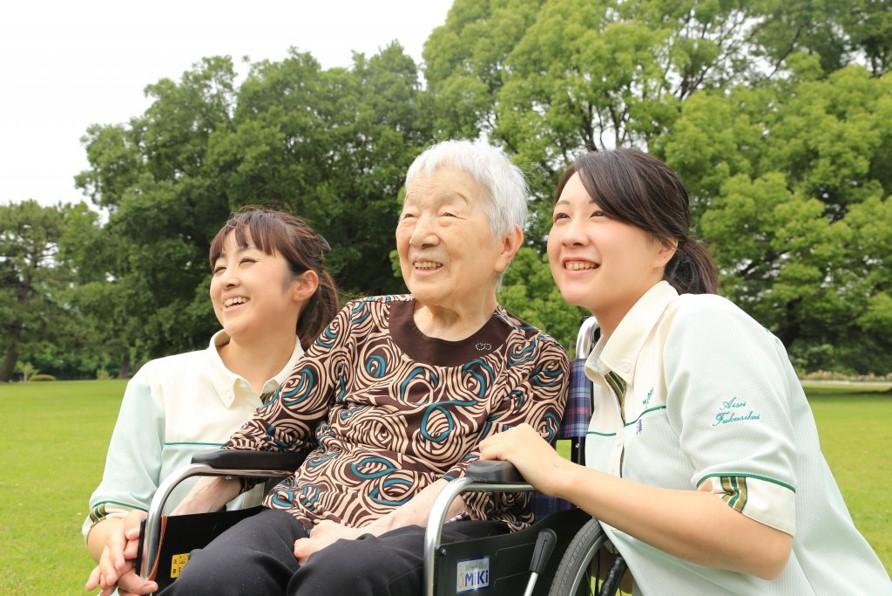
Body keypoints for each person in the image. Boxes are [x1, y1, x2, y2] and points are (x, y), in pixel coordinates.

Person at [102, 139, 569, 596]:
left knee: (341, 576)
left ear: (505, 245)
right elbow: (272, 429)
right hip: (302, 512)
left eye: (447, 214)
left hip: (436, 530)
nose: (420, 234)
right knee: (217, 576)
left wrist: (364, 533)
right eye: (410, 215)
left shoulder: (534, 356)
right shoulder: (361, 321)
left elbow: (481, 484)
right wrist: (168, 528)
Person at [479, 149, 891, 594]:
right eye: (561, 217)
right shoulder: (600, 362)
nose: (572, 235)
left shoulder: (703, 326)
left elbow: (757, 535)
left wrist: (563, 475)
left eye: (600, 214)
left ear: (663, 244)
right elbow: (640, 542)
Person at [84, 207, 339, 595]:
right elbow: (111, 512)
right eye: (219, 268)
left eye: (247, 261)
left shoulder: (341, 392)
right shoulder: (159, 381)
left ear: (302, 285)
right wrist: (117, 547)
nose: (227, 280)